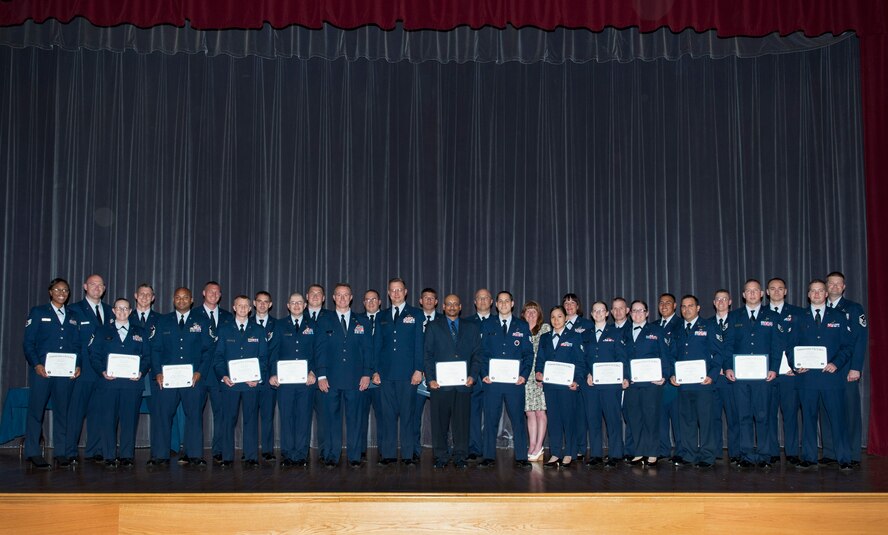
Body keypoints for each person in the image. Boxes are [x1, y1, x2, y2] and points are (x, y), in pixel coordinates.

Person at [790, 279, 855, 470]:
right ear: (808, 295)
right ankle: (809, 457)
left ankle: (844, 457)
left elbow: (847, 346)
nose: (817, 294)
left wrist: (836, 363)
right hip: (807, 378)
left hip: (831, 378)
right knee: (808, 419)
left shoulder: (839, 317)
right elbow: (790, 345)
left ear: (826, 294)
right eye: (813, 291)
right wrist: (796, 364)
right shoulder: (799, 317)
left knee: (837, 418)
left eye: (820, 291)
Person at [148, 287, 215, 466]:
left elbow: (208, 350)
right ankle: (160, 455)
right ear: (173, 299)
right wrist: (157, 373)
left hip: (193, 379)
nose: (181, 300)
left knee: (194, 416)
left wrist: (200, 371)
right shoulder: (162, 321)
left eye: (185, 297)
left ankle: (194, 455)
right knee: (163, 416)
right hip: (167, 379)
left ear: (192, 300)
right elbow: (155, 350)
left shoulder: (202, 321)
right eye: (178, 297)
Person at [22, 278, 81, 469]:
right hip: (43, 372)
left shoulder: (73, 316)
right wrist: (36, 364)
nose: (62, 293)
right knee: (36, 412)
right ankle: (32, 452)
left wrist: (77, 364)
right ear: (50, 292)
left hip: (64, 373)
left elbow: (77, 345)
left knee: (62, 412)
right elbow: (28, 343)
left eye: (65, 290)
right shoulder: (38, 312)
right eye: (58, 289)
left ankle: (61, 452)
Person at [724, 279, 782, 469]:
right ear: (743, 295)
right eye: (748, 291)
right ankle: (747, 454)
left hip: (763, 376)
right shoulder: (733, 317)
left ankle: (764, 454)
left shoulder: (772, 316)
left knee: (763, 416)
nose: (751, 294)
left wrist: (774, 368)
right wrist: (728, 367)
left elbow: (776, 346)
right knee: (744, 416)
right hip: (740, 377)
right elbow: (728, 345)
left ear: (762, 294)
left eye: (755, 291)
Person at [88, 297, 151, 467]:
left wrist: (141, 371)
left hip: (132, 384)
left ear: (130, 312)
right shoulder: (102, 331)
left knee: (129, 421)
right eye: (119, 308)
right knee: (108, 420)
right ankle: (109, 455)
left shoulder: (141, 332)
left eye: (125, 309)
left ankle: (126, 456)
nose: (122, 311)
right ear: (113, 311)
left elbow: (147, 357)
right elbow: (94, 355)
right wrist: (102, 371)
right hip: (109, 384)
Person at [316, 283, 373, 467]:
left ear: (351, 298)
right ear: (333, 298)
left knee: (355, 419)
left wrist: (366, 374)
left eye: (345, 295)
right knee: (331, 420)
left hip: (356, 380)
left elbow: (367, 351)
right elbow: (319, 350)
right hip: (330, 380)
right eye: (338, 295)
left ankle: (354, 456)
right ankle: (332, 455)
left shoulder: (362, 321)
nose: (342, 298)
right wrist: (321, 375)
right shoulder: (324, 321)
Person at [424, 293, 483, 469]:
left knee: (462, 424)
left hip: (463, 385)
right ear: (443, 306)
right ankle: (440, 456)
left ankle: (460, 456)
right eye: (448, 304)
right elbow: (427, 355)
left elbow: (477, 355)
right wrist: (431, 379)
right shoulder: (433, 327)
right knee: (439, 424)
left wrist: (472, 375)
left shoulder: (471, 328)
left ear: (460, 307)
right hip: (440, 385)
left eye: (455, 304)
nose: (451, 307)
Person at [478, 291, 534, 469]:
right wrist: (484, 373)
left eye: (506, 301)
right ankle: (488, 456)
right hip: (492, 382)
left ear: (512, 303)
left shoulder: (522, 326)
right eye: (500, 301)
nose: (503, 304)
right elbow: (481, 353)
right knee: (491, 420)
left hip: (515, 383)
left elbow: (528, 354)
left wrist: (523, 376)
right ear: (496, 304)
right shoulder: (487, 325)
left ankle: (521, 457)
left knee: (518, 420)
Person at [213, 295, 269, 467]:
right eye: (240, 305)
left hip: (251, 385)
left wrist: (257, 377)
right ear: (234, 307)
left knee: (251, 420)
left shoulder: (259, 330)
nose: (243, 308)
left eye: (246, 305)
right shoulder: (223, 330)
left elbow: (264, 358)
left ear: (250, 309)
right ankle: (227, 457)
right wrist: (223, 376)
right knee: (228, 419)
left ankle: (251, 456)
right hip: (231, 385)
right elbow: (218, 357)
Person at [373, 279, 424, 466]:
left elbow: (420, 344)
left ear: (406, 292)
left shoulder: (416, 315)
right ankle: (388, 454)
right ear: (388, 293)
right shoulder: (382, 316)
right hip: (386, 374)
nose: (396, 294)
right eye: (393, 291)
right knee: (387, 416)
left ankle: (409, 455)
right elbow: (377, 345)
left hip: (408, 374)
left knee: (408, 415)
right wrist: (375, 371)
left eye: (399, 290)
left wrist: (419, 369)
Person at [822, 271, 868, 467]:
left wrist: (856, 368)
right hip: (824, 371)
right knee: (826, 410)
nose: (834, 287)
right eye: (830, 284)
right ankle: (831, 452)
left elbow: (859, 340)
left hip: (846, 369)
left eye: (838, 284)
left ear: (844, 287)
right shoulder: (818, 309)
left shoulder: (854, 309)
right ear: (825, 287)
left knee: (849, 410)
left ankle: (852, 453)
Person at [268, 292, 320, 467]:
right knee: (287, 418)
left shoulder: (313, 325)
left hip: (307, 382)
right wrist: (273, 373)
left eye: (300, 303)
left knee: (304, 417)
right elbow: (273, 352)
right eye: (293, 303)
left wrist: (314, 372)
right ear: (288, 306)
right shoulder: (280, 325)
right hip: (285, 382)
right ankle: (288, 454)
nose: (297, 306)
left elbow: (318, 352)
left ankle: (301, 454)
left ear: (305, 305)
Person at [669, 295, 722, 468]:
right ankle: (689, 454)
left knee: (706, 421)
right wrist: (672, 374)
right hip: (684, 385)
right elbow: (672, 357)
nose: (686, 309)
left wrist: (712, 376)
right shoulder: (677, 330)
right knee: (687, 421)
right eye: (683, 306)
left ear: (698, 308)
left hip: (703, 384)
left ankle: (707, 456)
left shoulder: (709, 326)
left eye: (690, 306)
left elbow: (718, 354)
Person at [67, 274, 114, 464]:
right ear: (85, 286)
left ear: (104, 289)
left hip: (104, 373)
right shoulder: (73, 310)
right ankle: (68, 452)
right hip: (82, 371)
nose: (97, 287)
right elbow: (70, 342)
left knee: (98, 413)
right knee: (76, 413)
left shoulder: (111, 311)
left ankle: (94, 450)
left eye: (100, 285)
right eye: (93, 284)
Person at [623, 300, 671, 467]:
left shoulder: (657, 330)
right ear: (630, 314)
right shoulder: (624, 332)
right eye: (634, 311)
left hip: (652, 383)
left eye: (641, 310)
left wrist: (664, 375)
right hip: (632, 384)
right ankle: (638, 451)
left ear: (647, 313)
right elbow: (621, 359)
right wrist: (623, 377)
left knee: (651, 418)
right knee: (635, 419)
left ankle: (652, 452)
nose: (637, 314)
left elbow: (665, 355)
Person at [190, 281, 233, 464]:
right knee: (193, 413)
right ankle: (193, 451)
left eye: (217, 291)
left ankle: (219, 450)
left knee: (221, 413)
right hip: (198, 372)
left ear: (220, 295)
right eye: (210, 291)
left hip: (219, 374)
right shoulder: (192, 314)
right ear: (203, 293)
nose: (214, 294)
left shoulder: (228, 316)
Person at [535, 305, 584, 469]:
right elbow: (540, 359)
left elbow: (580, 362)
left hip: (567, 387)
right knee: (554, 420)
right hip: (550, 385)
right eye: (553, 317)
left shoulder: (574, 337)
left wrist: (577, 380)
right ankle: (555, 453)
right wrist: (538, 372)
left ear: (565, 318)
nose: (556, 320)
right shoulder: (545, 338)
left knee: (569, 419)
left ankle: (570, 452)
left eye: (560, 317)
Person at [582, 300, 628, 468]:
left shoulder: (616, 333)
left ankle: (616, 454)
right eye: (595, 311)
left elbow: (622, 358)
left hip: (610, 386)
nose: (599, 313)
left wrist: (624, 376)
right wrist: (587, 373)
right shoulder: (585, 335)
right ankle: (595, 454)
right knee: (593, 420)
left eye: (602, 310)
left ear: (607, 313)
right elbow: (582, 360)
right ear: (592, 314)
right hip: (591, 385)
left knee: (613, 420)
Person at [765, 278, 805, 465]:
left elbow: (805, 340)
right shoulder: (761, 314)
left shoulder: (798, 313)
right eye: (772, 288)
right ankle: (772, 451)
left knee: (790, 415)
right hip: (767, 374)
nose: (776, 291)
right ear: (766, 292)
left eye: (780, 288)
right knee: (769, 414)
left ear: (786, 291)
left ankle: (791, 452)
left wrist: (798, 364)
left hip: (790, 373)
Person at [562, 293, 593, 460]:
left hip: (581, 374)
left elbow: (589, 351)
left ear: (578, 306)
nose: (569, 306)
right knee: (567, 414)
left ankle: (581, 448)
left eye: (572, 302)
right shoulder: (558, 323)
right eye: (566, 303)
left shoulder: (587, 324)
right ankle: (568, 447)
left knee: (581, 414)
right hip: (562, 377)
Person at [710, 289, 741, 464]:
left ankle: (735, 453)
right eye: (718, 299)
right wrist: (715, 368)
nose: (721, 302)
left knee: (733, 417)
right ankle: (715, 453)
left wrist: (729, 366)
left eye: (724, 299)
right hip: (714, 379)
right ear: (714, 303)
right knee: (713, 417)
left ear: (730, 302)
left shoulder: (739, 323)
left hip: (732, 379)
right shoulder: (706, 324)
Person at [412, 287, 442, 460]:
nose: (429, 301)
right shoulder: (413, 319)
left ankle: (440, 451)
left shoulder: (444, 320)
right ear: (420, 301)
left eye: (432, 298)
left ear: (436, 302)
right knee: (414, 415)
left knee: (440, 416)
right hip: (417, 375)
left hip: (438, 376)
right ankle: (415, 450)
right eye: (426, 298)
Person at [466, 288, 493, 461]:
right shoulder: (466, 322)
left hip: (493, 377)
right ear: (475, 302)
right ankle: (474, 447)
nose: (482, 301)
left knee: (492, 414)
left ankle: (489, 449)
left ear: (491, 302)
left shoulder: (499, 322)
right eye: (479, 298)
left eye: (486, 298)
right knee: (473, 414)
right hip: (473, 376)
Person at [520, 301, 549, 462]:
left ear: (539, 315)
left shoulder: (545, 330)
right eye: (528, 311)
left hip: (540, 376)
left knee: (540, 412)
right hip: (524, 376)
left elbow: (549, 354)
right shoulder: (519, 330)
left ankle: (539, 446)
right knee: (529, 412)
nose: (531, 314)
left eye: (534, 311)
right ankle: (532, 445)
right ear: (523, 314)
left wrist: (545, 374)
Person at [655, 293, 681, 462]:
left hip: (674, 380)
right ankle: (663, 449)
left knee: (678, 418)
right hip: (657, 380)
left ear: (675, 305)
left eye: (668, 303)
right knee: (660, 418)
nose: (664, 305)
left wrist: (672, 373)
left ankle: (680, 451)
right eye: (661, 303)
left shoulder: (681, 324)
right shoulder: (652, 326)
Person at [251, 291, 277, 461]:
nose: (262, 304)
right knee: (250, 416)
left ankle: (268, 450)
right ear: (254, 303)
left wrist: (275, 373)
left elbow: (279, 352)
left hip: (269, 379)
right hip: (249, 379)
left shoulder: (278, 325)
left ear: (270, 304)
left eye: (265, 302)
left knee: (268, 416)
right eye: (259, 301)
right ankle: (250, 451)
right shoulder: (245, 323)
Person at [359, 289, 382, 461]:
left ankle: (384, 450)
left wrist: (378, 372)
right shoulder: (356, 321)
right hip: (362, 378)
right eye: (367, 300)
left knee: (383, 416)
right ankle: (359, 451)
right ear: (363, 303)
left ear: (380, 301)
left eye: (374, 299)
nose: (371, 302)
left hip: (382, 378)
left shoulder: (388, 319)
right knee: (360, 415)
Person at [611, 297, 635, 462]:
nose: (618, 311)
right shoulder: (607, 329)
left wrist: (627, 376)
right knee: (613, 416)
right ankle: (616, 450)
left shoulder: (634, 328)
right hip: (609, 381)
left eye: (621, 308)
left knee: (630, 415)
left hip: (629, 381)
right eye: (615, 308)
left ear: (627, 310)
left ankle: (631, 450)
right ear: (611, 312)